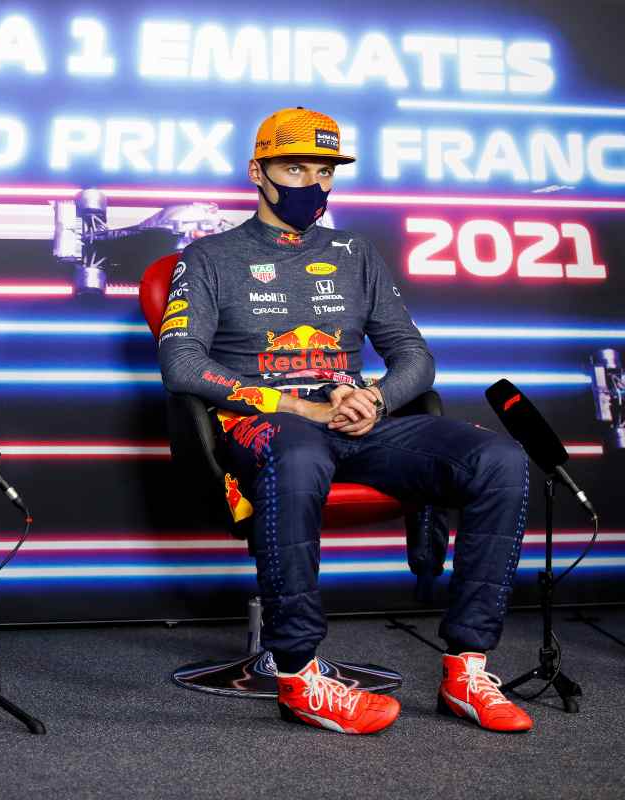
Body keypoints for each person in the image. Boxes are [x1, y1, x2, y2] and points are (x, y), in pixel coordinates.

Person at [158, 107, 534, 735]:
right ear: (258, 171)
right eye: (294, 166)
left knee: (499, 459)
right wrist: (295, 404)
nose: (312, 181)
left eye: (324, 169)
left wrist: (377, 399)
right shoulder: (206, 258)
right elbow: (181, 363)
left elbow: (415, 357)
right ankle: (300, 675)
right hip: (269, 424)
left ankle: (466, 668)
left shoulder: (356, 254)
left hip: (357, 420)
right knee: (300, 454)